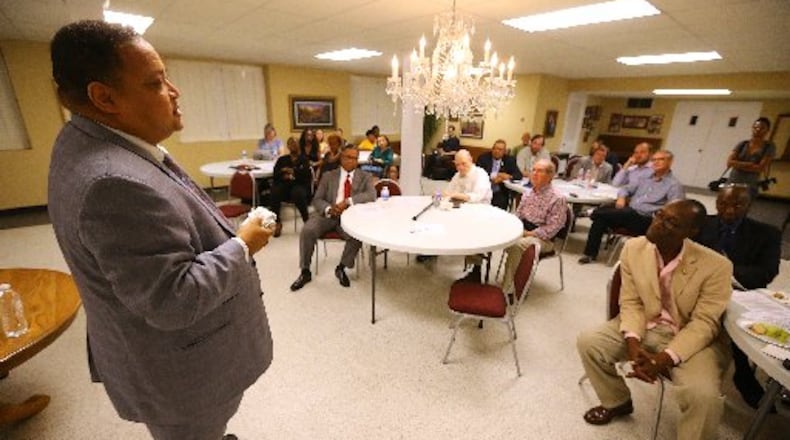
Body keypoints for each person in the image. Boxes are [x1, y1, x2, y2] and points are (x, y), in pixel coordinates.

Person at [47, 20, 273, 440]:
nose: (174, 91)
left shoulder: (84, 142)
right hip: (180, 376)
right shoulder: (112, 183)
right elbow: (173, 299)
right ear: (104, 97)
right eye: (155, 82)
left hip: (156, 354)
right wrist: (243, 245)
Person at [577, 199, 732, 440]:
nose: (658, 223)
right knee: (589, 342)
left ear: (691, 232)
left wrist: (665, 358)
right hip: (646, 325)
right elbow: (631, 302)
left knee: (704, 397)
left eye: (671, 222)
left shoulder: (716, 266)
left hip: (690, 337)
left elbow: (705, 323)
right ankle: (617, 401)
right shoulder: (634, 248)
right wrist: (633, 342)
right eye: (660, 214)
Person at [693, 184, 781, 408]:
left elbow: (767, 272)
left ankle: (747, 372)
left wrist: (726, 269)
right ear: (716, 203)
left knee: (747, 319)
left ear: (749, 206)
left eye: (737, 205)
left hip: (739, 290)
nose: (729, 211)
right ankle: (743, 374)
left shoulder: (767, 234)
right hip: (697, 286)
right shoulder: (701, 224)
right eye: (723, 204)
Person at [290, 146, 377, 291]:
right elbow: (317, 200)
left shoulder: (365, 177)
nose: (353, 161)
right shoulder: (329, 176)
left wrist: (347, 202)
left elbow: (371, 195)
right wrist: (330, 209)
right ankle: (305, 271)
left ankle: (341, 267)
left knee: (356, 236)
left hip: (350, 217)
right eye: (349, 157)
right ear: (342, 158)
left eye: (355, 158)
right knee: (307, 230)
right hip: (328, 214)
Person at [579, 150, 684, 264]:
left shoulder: (674, 185)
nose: (656, 162)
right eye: (654, 160)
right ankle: (589, 254)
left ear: (670, 162)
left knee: (612, 212)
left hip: (647, 220)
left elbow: (675, 209)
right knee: (601, 219)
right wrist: (622, 197)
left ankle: (593, 212)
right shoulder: (645, 178)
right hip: (629, 213)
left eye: (661, 159)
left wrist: (658, 214)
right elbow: (625, 188)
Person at [500, 159, 567, 292]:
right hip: (524, 230)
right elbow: (518, 215)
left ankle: (507, 290)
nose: (534, 174)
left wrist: (527, 234)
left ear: (550, 176)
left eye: (540, 171)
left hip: (544, 239)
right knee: (499, 235)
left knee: (516, 245)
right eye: (533, 170)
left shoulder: (558, 198)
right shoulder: (528, 192)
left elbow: (551, 229)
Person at [445, 149, 494, 279]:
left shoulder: (480, 174)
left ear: (471, 160)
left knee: (475, 232)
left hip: (480, 212)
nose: (460, 167)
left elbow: (477, 196)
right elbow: (448, 191)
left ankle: (476, 269)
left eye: (463, 164)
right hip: (461, 209)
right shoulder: (457, 175)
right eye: (457, 165)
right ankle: (432, 251)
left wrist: (455, 195)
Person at [270, 137, 312, 237]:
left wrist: (292, 171)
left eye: (295, 143)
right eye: (291, 143)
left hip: (300, 185)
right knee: (275, 191)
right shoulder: (282, 159)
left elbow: (307, 176)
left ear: (299, 145)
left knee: (297, 193)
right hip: (285, 185)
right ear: (288, 146)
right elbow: (275, 175)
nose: (293, 145)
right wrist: (284, 174)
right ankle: (277, 222)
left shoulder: (304, 159)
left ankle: (307, 221)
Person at [726, 117, 776, 197]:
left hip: (749, 186)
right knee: (724, 206)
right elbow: (729, 162)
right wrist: (748, 164)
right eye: (755, 127)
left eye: (762, 127)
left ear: (767, 130)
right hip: (732, 182)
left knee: (743, 207)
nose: (758, 129)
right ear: (752, 128)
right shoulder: (743, 144)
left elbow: (760, 168)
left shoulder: (769, 147)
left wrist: (737, 165)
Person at [475, 139, 522, 210]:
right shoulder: (483, 158)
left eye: (500, 149)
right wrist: (495, 176)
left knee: (500, 206)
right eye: (495, 148)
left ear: (504, 151)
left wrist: (508, 176)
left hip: (500, 190)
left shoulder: (510, 160)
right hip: (484, 188)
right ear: (492, 149)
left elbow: (519, 175)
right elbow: (478, 172)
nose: (497, 151)